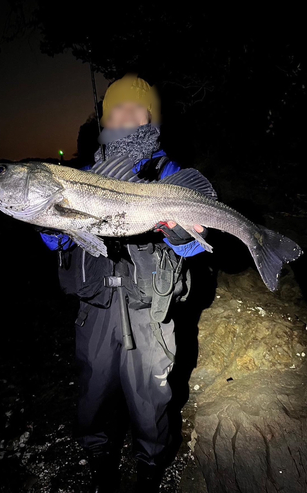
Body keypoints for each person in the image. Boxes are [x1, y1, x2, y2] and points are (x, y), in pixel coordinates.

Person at [40, 73, 214, 492]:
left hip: (149, 312)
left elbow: (196, 245)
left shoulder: (166, 171)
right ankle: (101, 465)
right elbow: (57, 239)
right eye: (118, 108)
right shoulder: (78, 173)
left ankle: (150, 470)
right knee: (93, 390)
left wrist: (178, 232)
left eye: (138, 110)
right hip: (96, 308)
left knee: (150, 397)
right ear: (106, 117)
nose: (128, 116)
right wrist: (47, 220)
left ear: (151, 118)